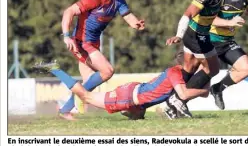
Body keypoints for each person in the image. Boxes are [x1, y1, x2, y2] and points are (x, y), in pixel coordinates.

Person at [163, 0, 248, 118]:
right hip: (209, 37)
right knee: (194, 71)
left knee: (246, 69)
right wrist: (229, 22)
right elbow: (209, 18)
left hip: (227, 41)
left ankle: (217, 89)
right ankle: (175, 101)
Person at [58, 0, 145, 120]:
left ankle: (65, 107)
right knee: (107, 71)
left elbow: (128, 16)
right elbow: (69, 12)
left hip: (93, 43)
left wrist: (136, 23)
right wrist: (66, 36)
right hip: (82, 42)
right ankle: (65, 107)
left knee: (88, 83)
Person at [33, 51, 208, 120]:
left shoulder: (175, 71)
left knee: (139, 119)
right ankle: (56, 69)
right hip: (128, 97)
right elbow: (184, 94)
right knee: (85, 95)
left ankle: (133, 113)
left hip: (135, 97)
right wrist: (206, 90)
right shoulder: (176, 73)